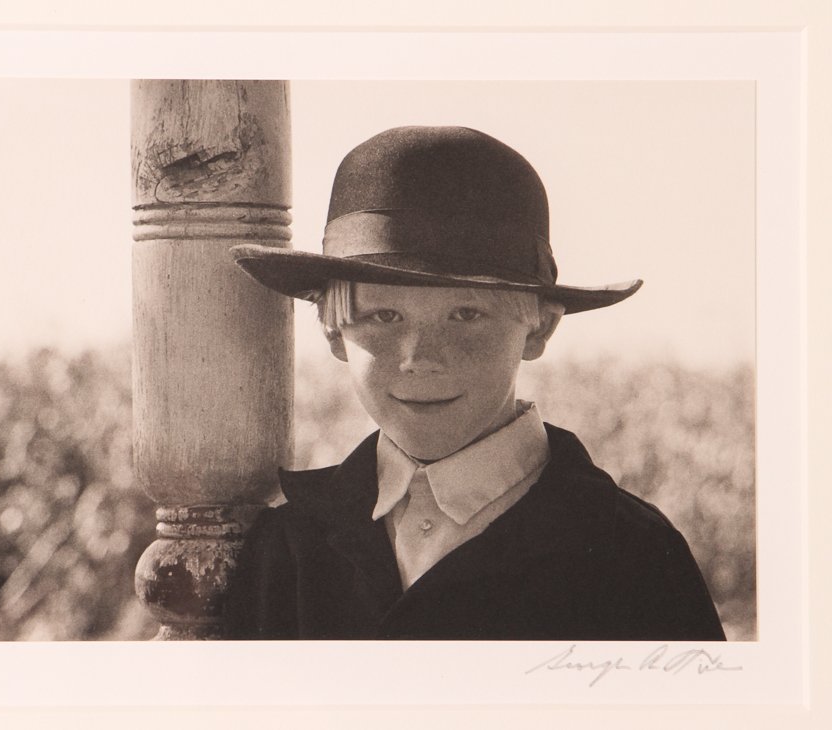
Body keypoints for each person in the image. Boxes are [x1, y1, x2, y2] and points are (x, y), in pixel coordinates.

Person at [223, 126, 725, 640]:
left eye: (465, 315)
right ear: (334, 333)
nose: (420, 359)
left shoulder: (630, 554)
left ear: (540, 328)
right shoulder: (289, 547)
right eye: (384, 316)